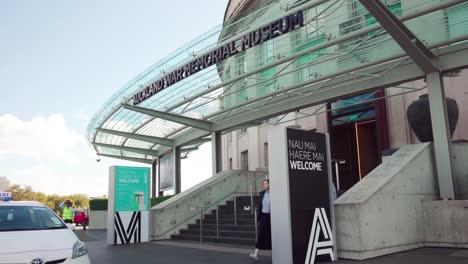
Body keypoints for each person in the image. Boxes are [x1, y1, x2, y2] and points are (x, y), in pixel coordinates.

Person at [249, 179, 271, 262]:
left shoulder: (274, 193)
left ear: (269, 184)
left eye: (266, 184)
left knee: (272, 235)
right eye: (263, 184)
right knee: (261, 234)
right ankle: (255, 254)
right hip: (263, 217)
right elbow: (260, 205)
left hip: (271, 217)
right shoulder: (262, 193)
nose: (264, 185)